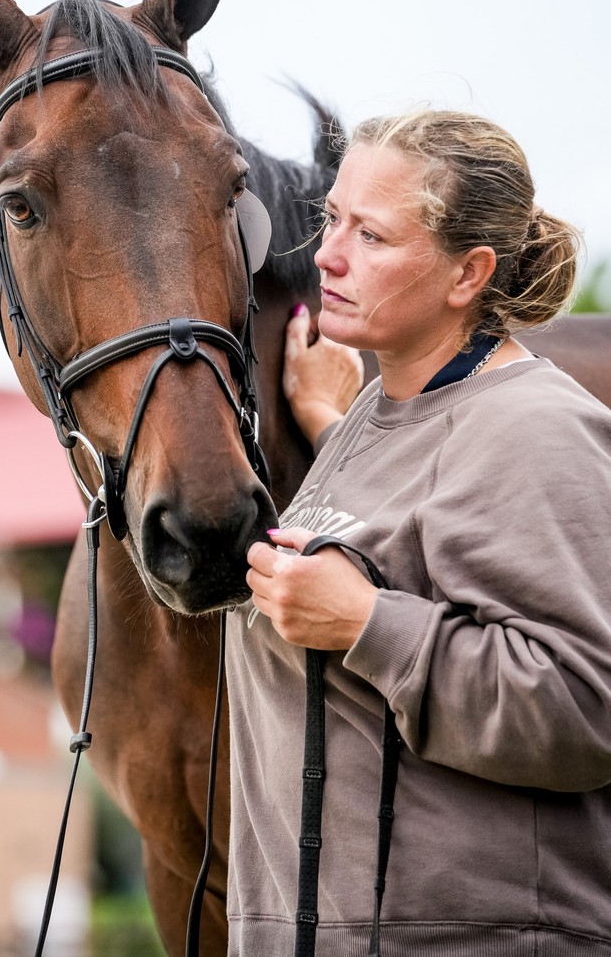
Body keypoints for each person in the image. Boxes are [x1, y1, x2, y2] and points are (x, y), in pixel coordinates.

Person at [226, 109, 611, 956]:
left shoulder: (537, 428)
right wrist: (326, 420)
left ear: (467, 272)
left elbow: (590, 707)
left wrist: (369, 625)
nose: (325, 255)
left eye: (371, 234)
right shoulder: (371, 417)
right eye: (331, 218)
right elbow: (418, 524)